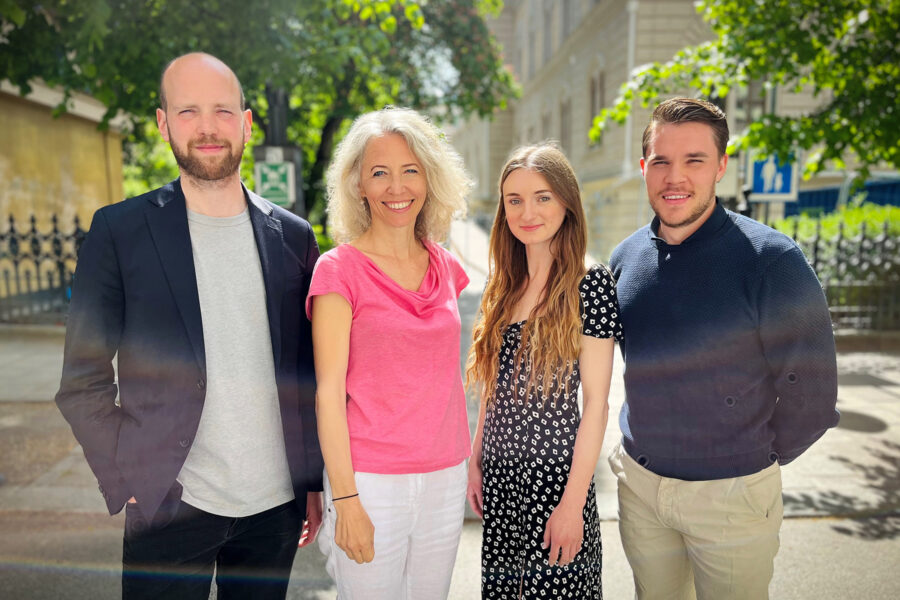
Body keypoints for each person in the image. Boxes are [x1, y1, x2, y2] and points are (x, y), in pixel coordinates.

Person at [55, 53, 323, 599]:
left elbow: (307, 373)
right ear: (163, 123)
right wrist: (125, 473)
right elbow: (81, 378)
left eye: (223, 111)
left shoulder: (294, 238)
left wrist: (310, 482)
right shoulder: (119, 231)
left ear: (247, 123)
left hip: (274, 510)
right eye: (189, 111)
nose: (207, 127)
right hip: (169, 504)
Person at [608, 97, 839, 599]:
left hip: (732, 495)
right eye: (662, 161)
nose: (675, 177)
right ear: (645, 168)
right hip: (642, 489)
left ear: (720, 167)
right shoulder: (624, 259)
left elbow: (813, 395)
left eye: (694, 160)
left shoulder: (771, 261)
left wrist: (749, 457)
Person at [307, 107, 472, 599]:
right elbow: (328, 394)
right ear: (358, 184)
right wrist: (347, 499)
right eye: (379, 173)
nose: (396, 188)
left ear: (429, 178)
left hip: (445, 476)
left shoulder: (445, 264)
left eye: (410, 171)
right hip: (371, 482)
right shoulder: (339, 271)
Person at [467, 143, 623, 599]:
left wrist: (572, 504)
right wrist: (477, 459)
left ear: (566, 202)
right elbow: (495, 387)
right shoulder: (504, 284)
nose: (527, 211)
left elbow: (596, 404)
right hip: (500, 477)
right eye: (514, 200)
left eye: (542, 197)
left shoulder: (589, 283)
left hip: (554, 481)